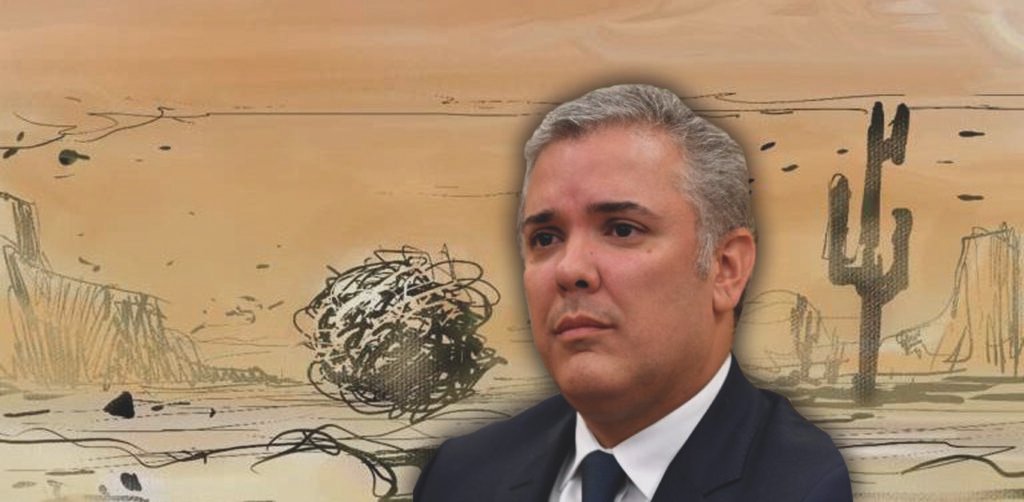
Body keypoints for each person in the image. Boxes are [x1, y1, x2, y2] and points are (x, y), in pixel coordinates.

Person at [413, 83, 851, 501]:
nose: (570, 269)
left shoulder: (805, 485)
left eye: (622, 230)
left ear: (726, 269)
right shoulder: (461, 477)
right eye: (545, 238)